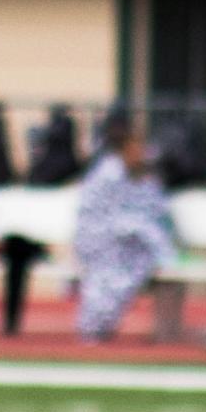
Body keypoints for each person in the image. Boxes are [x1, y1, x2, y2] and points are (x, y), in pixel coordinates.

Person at [72, 121, 174, 343]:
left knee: (133, 268)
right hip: (101, 242)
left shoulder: (142, 177)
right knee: (107, 278)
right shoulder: (107, 175)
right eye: (136, 147)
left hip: (129, 246)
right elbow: (104, 216)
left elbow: (154, 210)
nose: (142, 153)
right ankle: (93, 328)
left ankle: (100, 326)